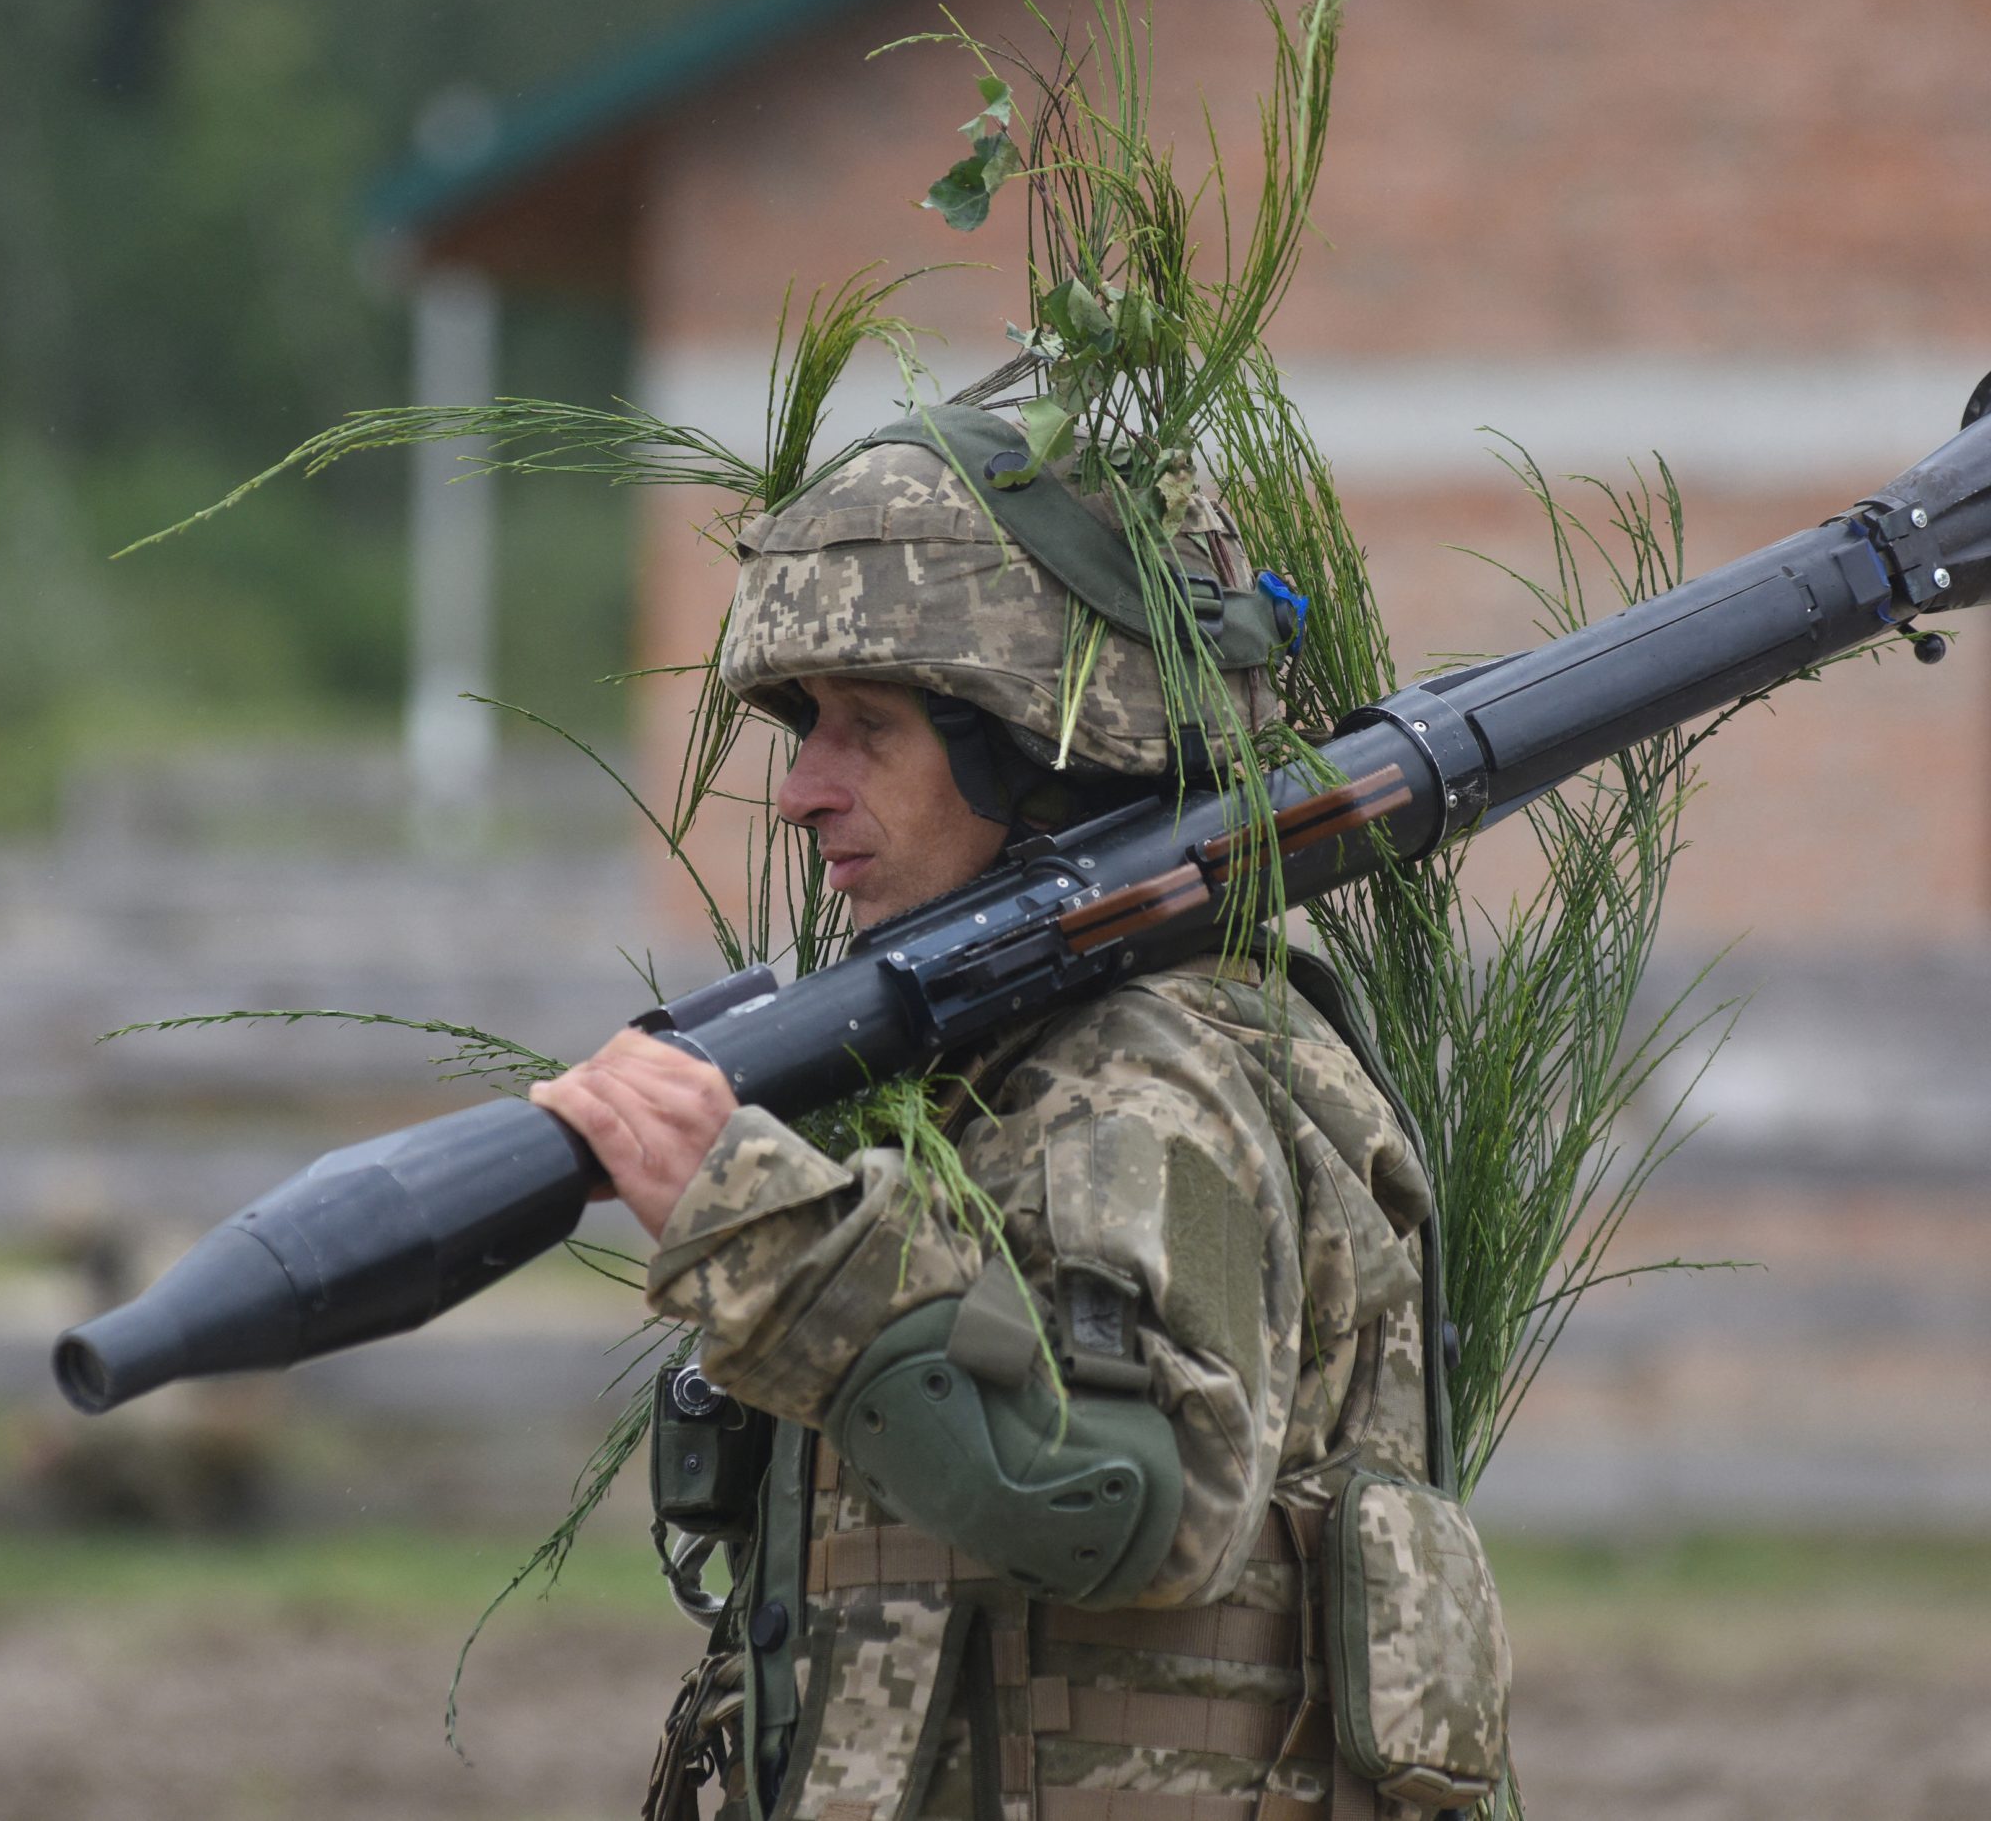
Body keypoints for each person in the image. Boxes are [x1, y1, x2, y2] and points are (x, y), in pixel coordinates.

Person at [531, 415, 1503, 1821]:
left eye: (869, 728)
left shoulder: (1143, 1075)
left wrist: (765, 1229)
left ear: (1039, 750)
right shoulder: (1014, 1072)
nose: (802, 790)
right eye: (809, 727)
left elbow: (1132, 1500)